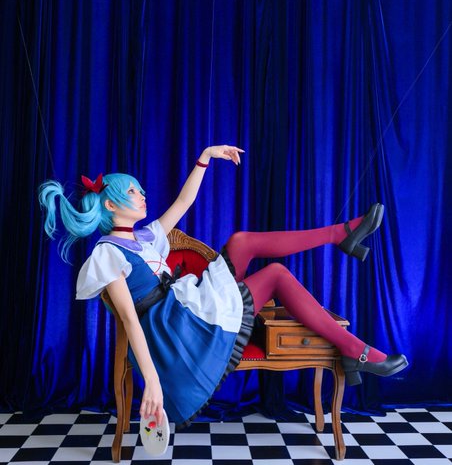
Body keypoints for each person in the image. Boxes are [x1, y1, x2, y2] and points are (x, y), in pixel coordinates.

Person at [39, 144, 408, 431]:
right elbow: (131, 321)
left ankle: (339, 236)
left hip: (187, 305)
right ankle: (355, 347)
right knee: (274, 273)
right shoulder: (107, 253)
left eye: (140, 190)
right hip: (178, 333)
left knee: (244, 243)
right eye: (134, 192)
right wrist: (151, 382)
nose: (143, 195)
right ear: (110, 203)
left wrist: (206, 156)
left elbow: (184, 201)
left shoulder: (146, 237)